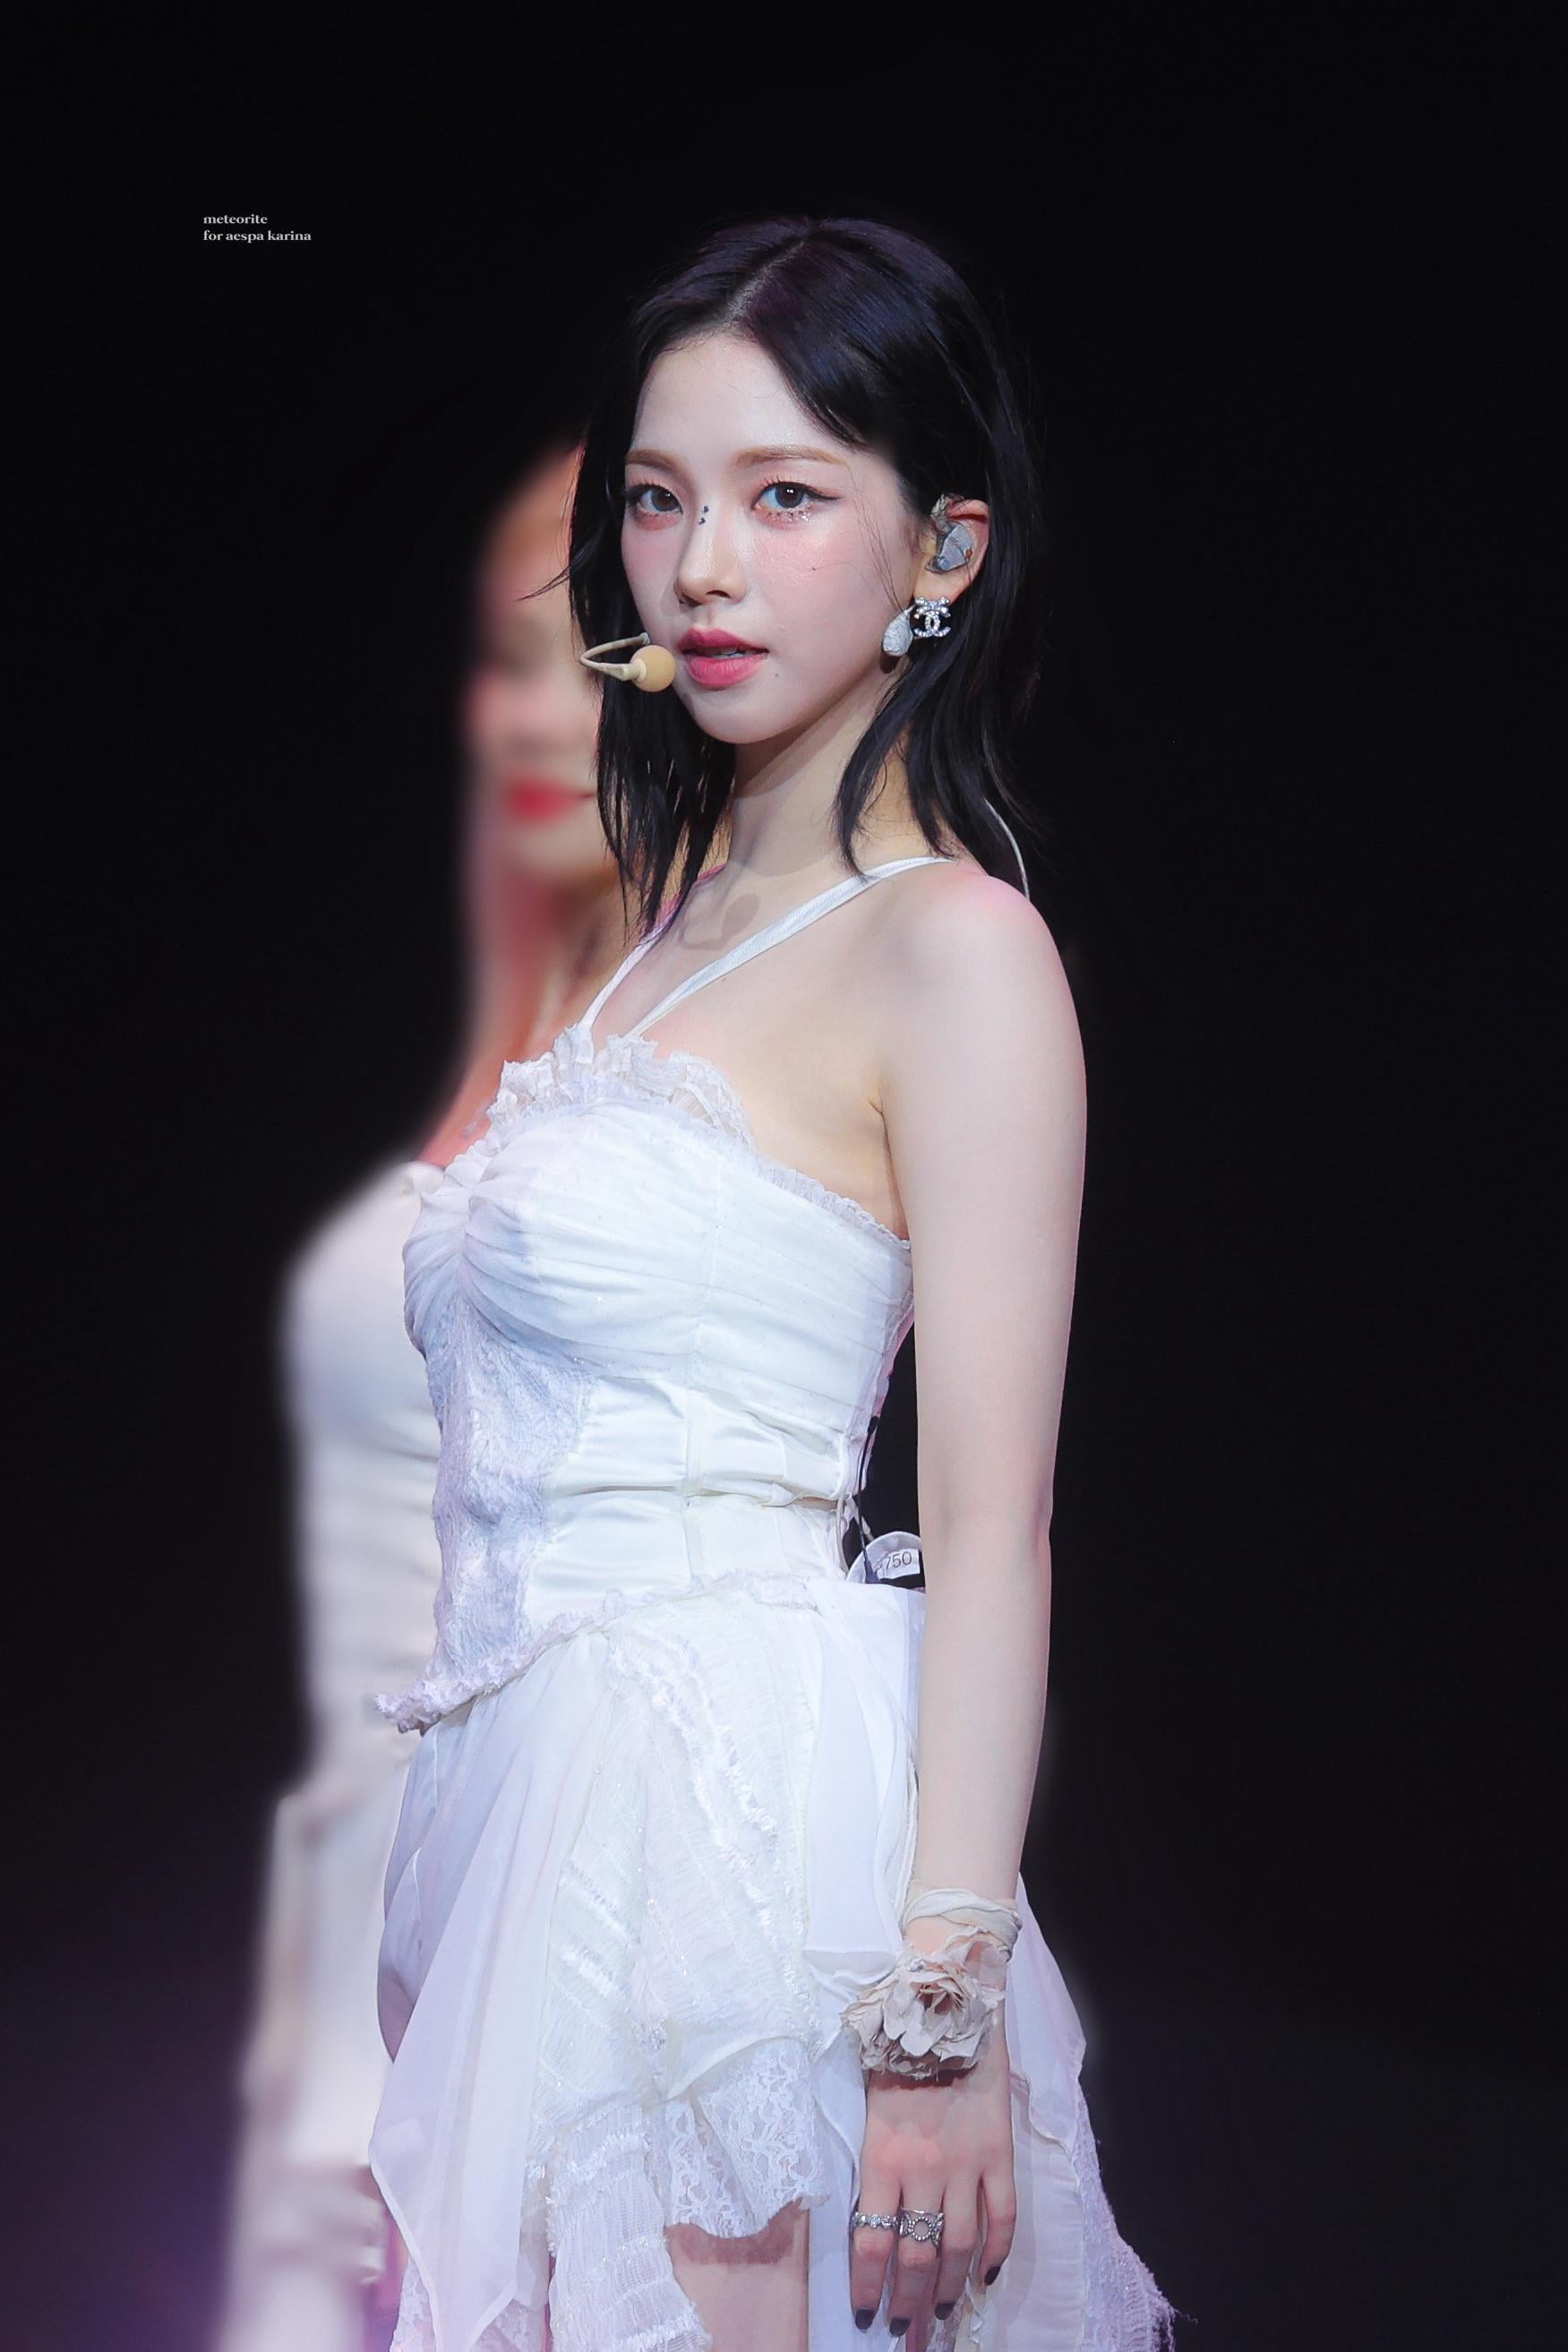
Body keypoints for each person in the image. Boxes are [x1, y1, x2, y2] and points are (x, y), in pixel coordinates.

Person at [371, 217, 1176, 2352]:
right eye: (658, 499)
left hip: (726, 1853)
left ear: (943, 550)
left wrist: (940, 2007)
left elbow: (990, 1518)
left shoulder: (953, 949)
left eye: (786, 495)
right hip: (518, 1831)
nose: (702, 566)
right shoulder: (666, 927)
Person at [216, 442, 654, 2352]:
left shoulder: (703, 1097)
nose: (529, 715)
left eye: (592, 654)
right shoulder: (501, 1040)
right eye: (504, 655)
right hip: (347, 1959)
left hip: (541, 1966)